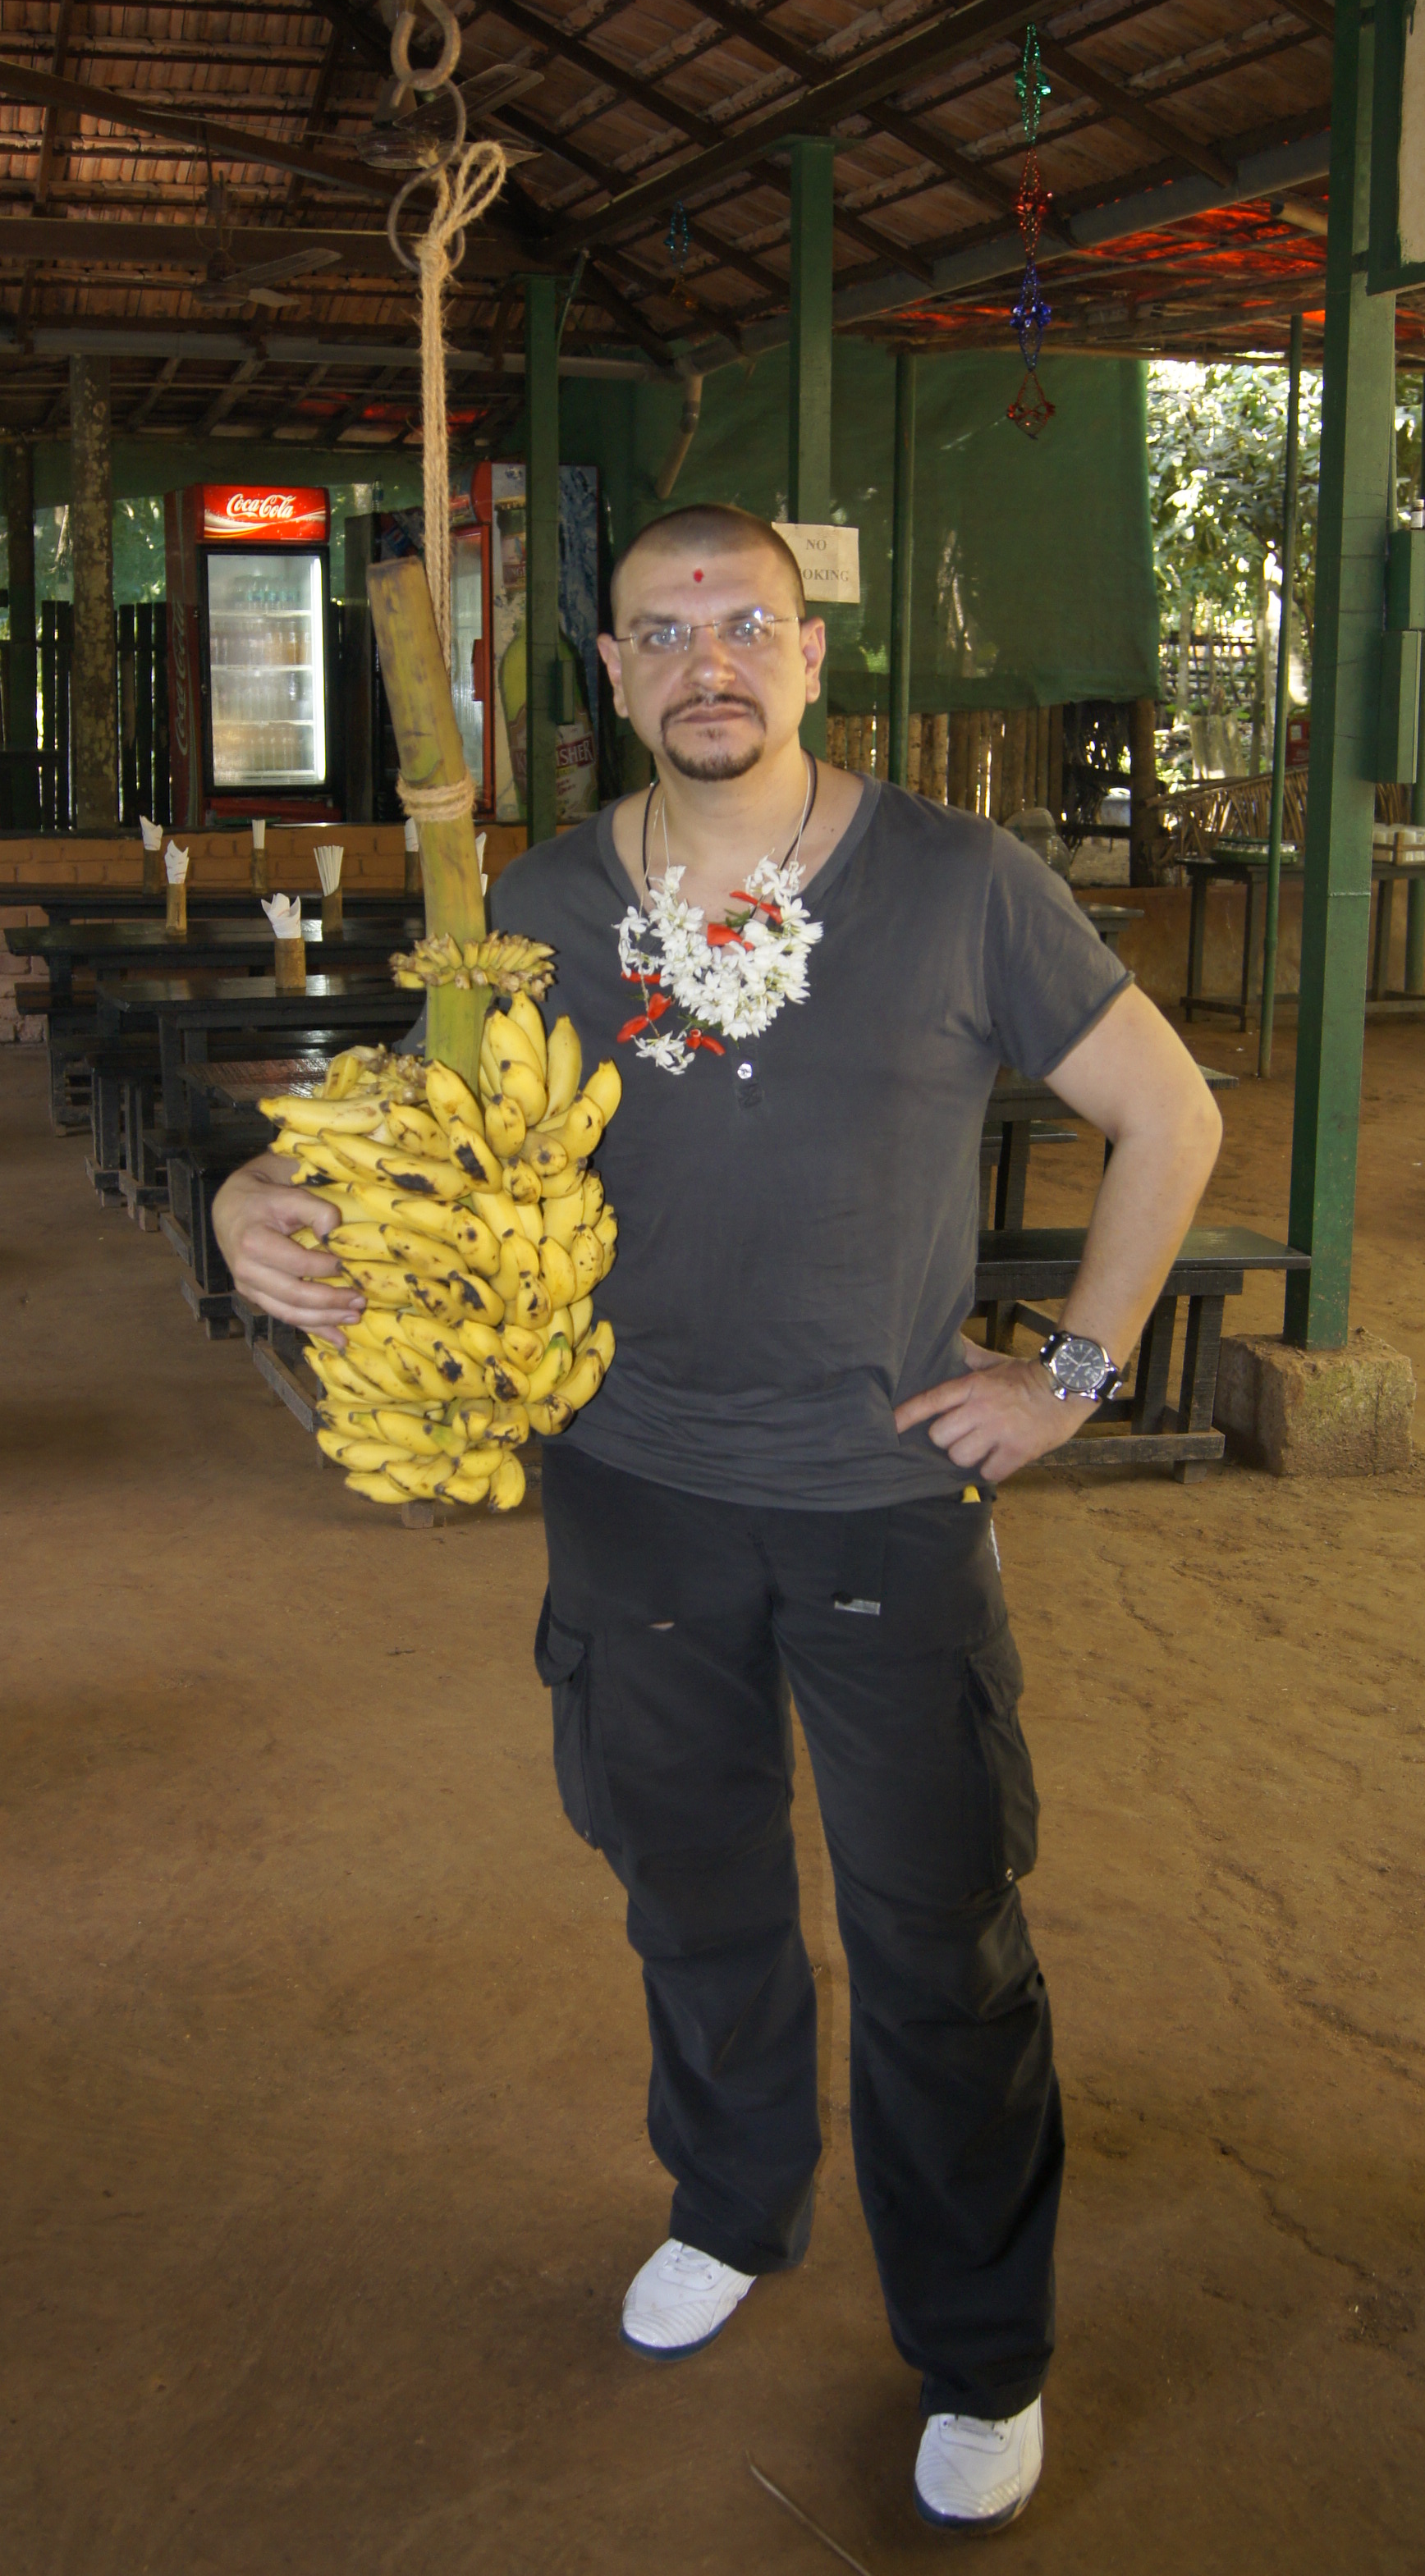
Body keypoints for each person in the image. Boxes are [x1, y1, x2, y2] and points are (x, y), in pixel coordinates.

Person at [214, 504, 1221, 2535]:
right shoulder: (538, 903)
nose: (709, 661)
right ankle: (734, 2201)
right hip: (633, 1496)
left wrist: (1074, 1371)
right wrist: (256, 1197)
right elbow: (412, 1133)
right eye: (663, 632)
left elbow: (1170, 1113)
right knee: (690, 1890)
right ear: (610, 671)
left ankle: (980, 2348)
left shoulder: (961, 882)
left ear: (810, 650)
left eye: (745, 622)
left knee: (939, 1934)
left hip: (884, 1504)